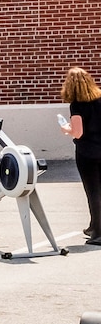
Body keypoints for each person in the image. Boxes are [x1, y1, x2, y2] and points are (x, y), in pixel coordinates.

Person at [59, 67, 101, 246]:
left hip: (87, 153)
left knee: (93, 192)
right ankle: (94, 226)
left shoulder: (77, 105)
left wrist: (65, 128)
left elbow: (77, 132)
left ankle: (98, 233)